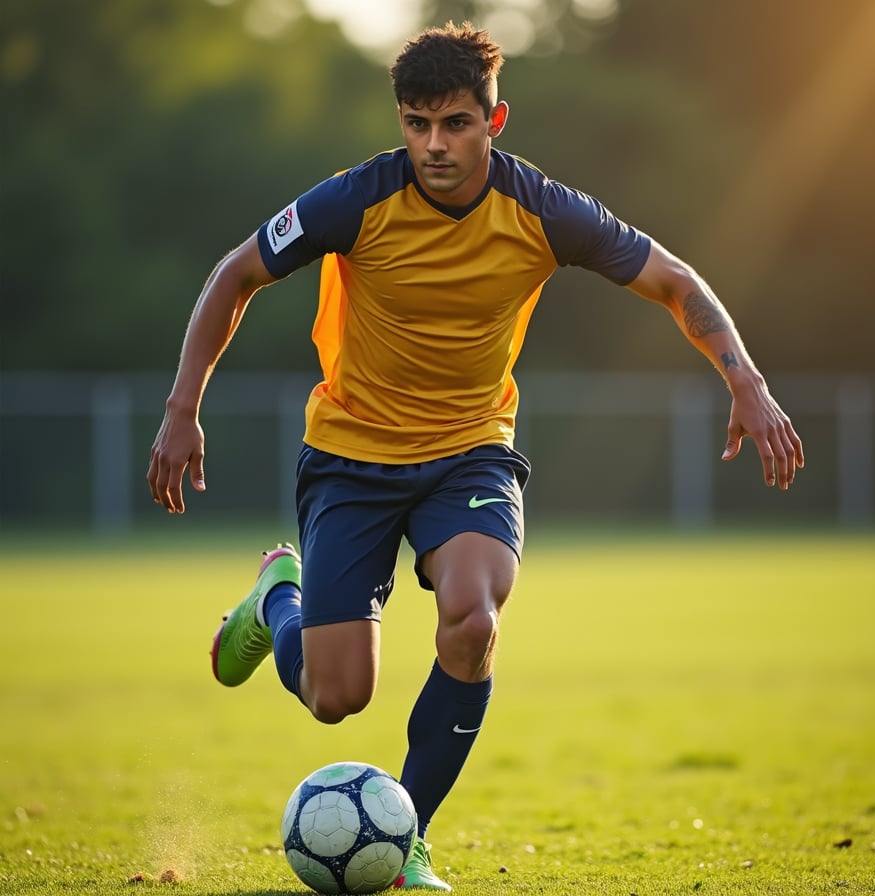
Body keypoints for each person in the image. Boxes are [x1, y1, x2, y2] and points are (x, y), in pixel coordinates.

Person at [147, 21, 804, 891]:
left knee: (473, 619)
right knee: (337, 696)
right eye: (417, 124)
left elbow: (675, 282)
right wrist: (182, 407)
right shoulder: (354, 201)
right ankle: (279, 599)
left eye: (455, 123)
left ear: (494, 122)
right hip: (350, 454)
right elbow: (235, 275)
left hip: (470, 453)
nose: (434, 145)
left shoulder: (544, 210)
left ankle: (408, 836)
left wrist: (747, 382)